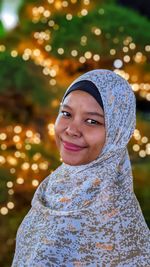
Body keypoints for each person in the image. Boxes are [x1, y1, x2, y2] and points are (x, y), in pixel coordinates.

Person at [12, 69, 150, 267]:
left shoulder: (116, 220)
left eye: (92, 121)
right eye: (66, 114)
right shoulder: (53, 186)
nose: (71, 130)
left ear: (118, 132)